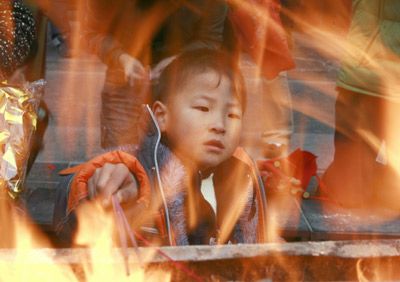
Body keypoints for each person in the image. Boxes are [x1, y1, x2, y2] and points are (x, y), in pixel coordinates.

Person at [53, 49, 268, 247]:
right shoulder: (141, 169)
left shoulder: (242, 175)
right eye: (203, 108)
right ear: (162, 116)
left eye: (232, 114)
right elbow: (68, 199)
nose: (219, 125)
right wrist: (96, 184)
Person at [82, 0, 228, 149]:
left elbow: (209, 39)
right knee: (119, 157)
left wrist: (176, 61)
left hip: (180, 81)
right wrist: (121, 57)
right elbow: (92, 33)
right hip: (123, 81)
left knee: (175, 161)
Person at [321, 0, 400, 210]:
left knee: (352, 191)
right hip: (364, 77)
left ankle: (371, 180)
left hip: (365, 76)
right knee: (350, 192)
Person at [226, 0, 295, 159]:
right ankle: (231, 131)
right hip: (240, 13)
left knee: (274, 74)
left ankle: (277, 135)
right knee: (233, 75)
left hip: (268, 16)